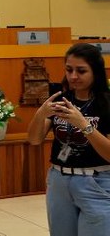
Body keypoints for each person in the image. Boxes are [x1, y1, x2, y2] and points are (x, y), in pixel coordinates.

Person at [27, 43, 110, 235]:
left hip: (96, 181)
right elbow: (34, 140)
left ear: (95, 72)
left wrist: (84, 125)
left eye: (81, 71)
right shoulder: (60, 100)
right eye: (69, 70)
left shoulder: (106, 103)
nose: (73, 76)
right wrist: (40, 114)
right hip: (59, 181)